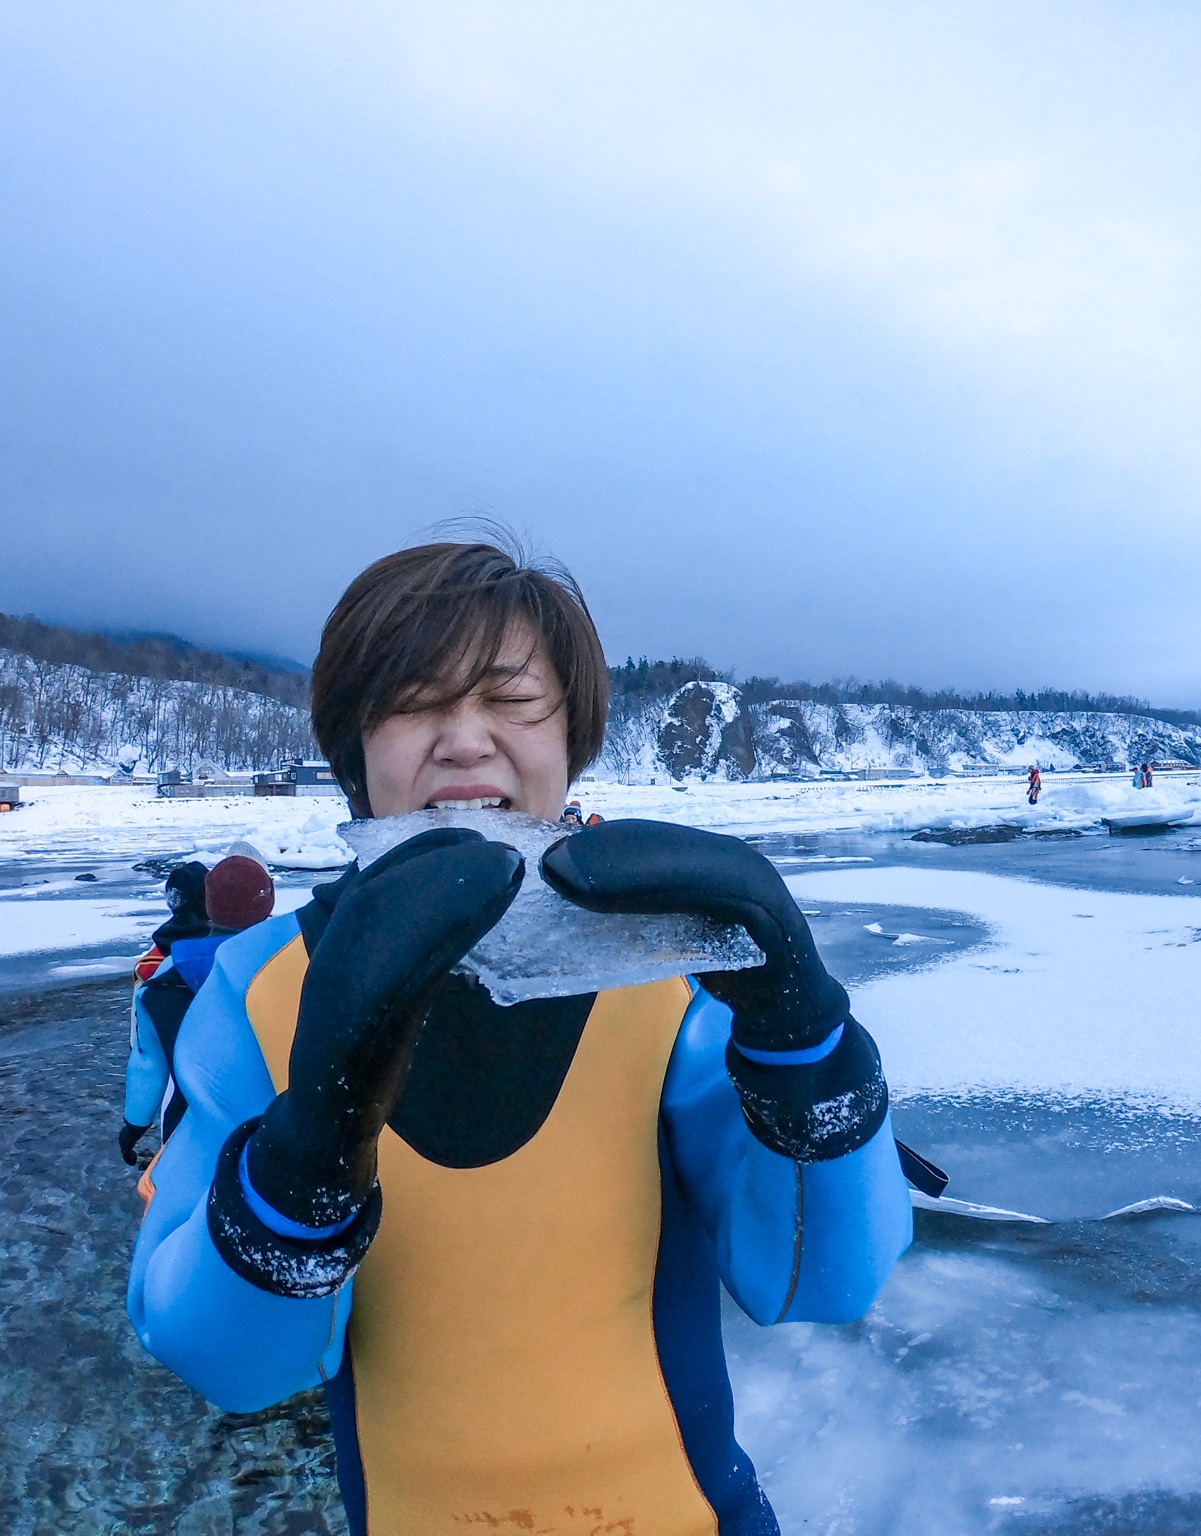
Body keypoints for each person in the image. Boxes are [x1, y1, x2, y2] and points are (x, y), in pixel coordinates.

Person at [126, 540, 910, 1535]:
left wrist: (803, 1041)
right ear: (351, 749)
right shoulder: (261, 986)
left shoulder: (667, 971)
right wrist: (299, 1162)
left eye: (510, 699)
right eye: (413, 700)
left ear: (570, 737)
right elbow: (225, 1365)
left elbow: (819, 1280)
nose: (464, 740)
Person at [121, 855, 277, 1165]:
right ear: (267, 904)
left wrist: (133, 1126)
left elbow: (147, 1063)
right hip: (277, 1129)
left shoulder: (161, 979)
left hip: (189, 1129)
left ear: (209, 907)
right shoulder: (296, 962)